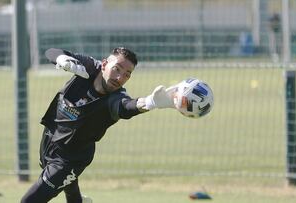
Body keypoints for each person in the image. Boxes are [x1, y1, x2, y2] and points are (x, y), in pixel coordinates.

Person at [21, 47, 178, 203]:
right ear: (104, 65)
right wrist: (63, 59)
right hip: (50, 138)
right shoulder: (88, 67)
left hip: (72, 157)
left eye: (127, 75)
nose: (119, 77)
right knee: (68, 185)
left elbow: (126, 107)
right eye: (117, 69)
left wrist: (150, 102)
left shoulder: (116, 98)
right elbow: (52, 51)